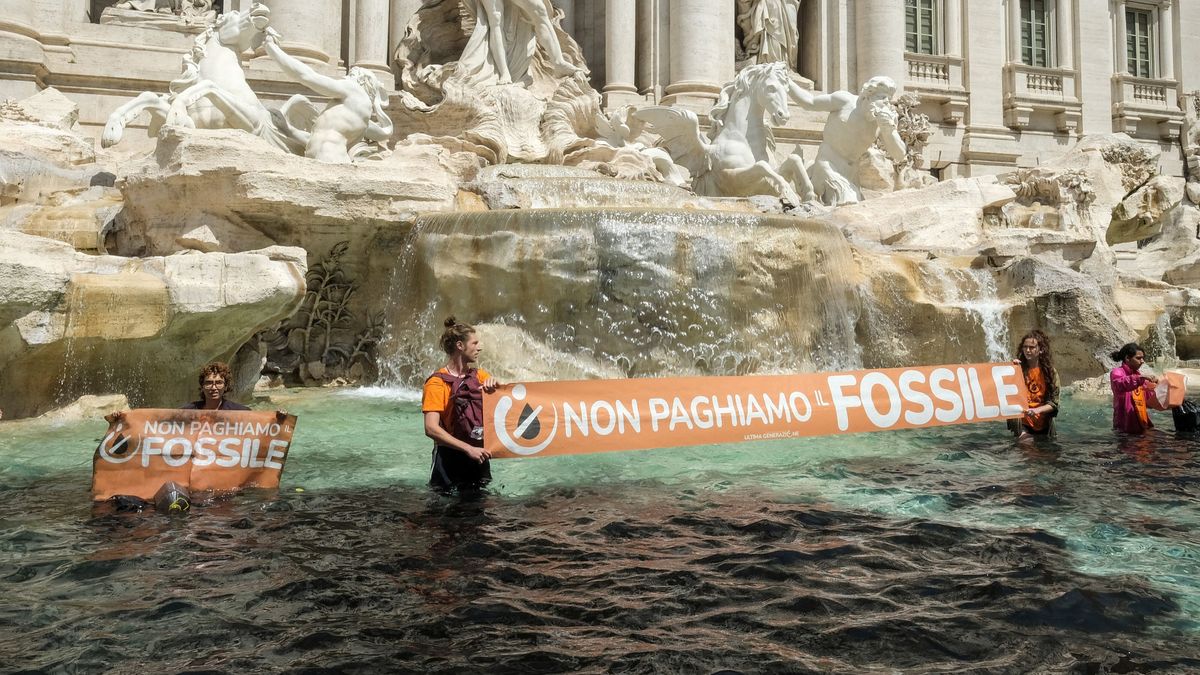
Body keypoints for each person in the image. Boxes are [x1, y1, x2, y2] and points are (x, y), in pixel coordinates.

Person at [785, 75, 907, 206]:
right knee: (847, 203)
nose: (887, 104)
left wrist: (889, 131)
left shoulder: (881, 122)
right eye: (883, 98)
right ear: (867, 95)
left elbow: (899, 155)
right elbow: (809, 102)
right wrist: (786, 81)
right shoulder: (844, 101)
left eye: (889, 100)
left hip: (851, 174)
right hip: (828, 164)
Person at [422, 317, 500, 491]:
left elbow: (505, 408)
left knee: (481, 511)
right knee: (442, 512)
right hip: (449, 458)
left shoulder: (480, 376)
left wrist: (495, 385)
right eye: (475, 343)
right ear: (460, 346)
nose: (479, 347)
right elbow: (431, 428)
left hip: (478, 455)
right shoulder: (436, 383)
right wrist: (468, 449)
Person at [1007, 330, 1060, 440]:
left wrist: (1037, 410)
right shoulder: (1017, 369)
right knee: (1026, 444)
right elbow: (1003, 390)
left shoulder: (1050, 373)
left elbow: (1054, 403)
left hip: (1044, 423)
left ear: (1041, 350)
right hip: (1023, 422)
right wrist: (1010, 368)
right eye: (1025, 347)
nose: (1027, 350)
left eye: (1032, 347)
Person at [1110, 342, 1159, 434]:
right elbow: (1122, 384)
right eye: (1138, 358)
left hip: (1140, 421)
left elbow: (1148, 399)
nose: (1142, 361)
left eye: (1143, 358)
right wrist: (1141, 378)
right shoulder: (1117, 372)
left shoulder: (1138, 375)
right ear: (1127, 358)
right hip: (1124, 425)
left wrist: (1158, 387)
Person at [182, 361, 251, 411]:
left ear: (226, 386)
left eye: (219, 383)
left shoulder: (240, 411)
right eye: (209, 383)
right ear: (202, 386)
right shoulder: (187, 411)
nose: (214, 387)